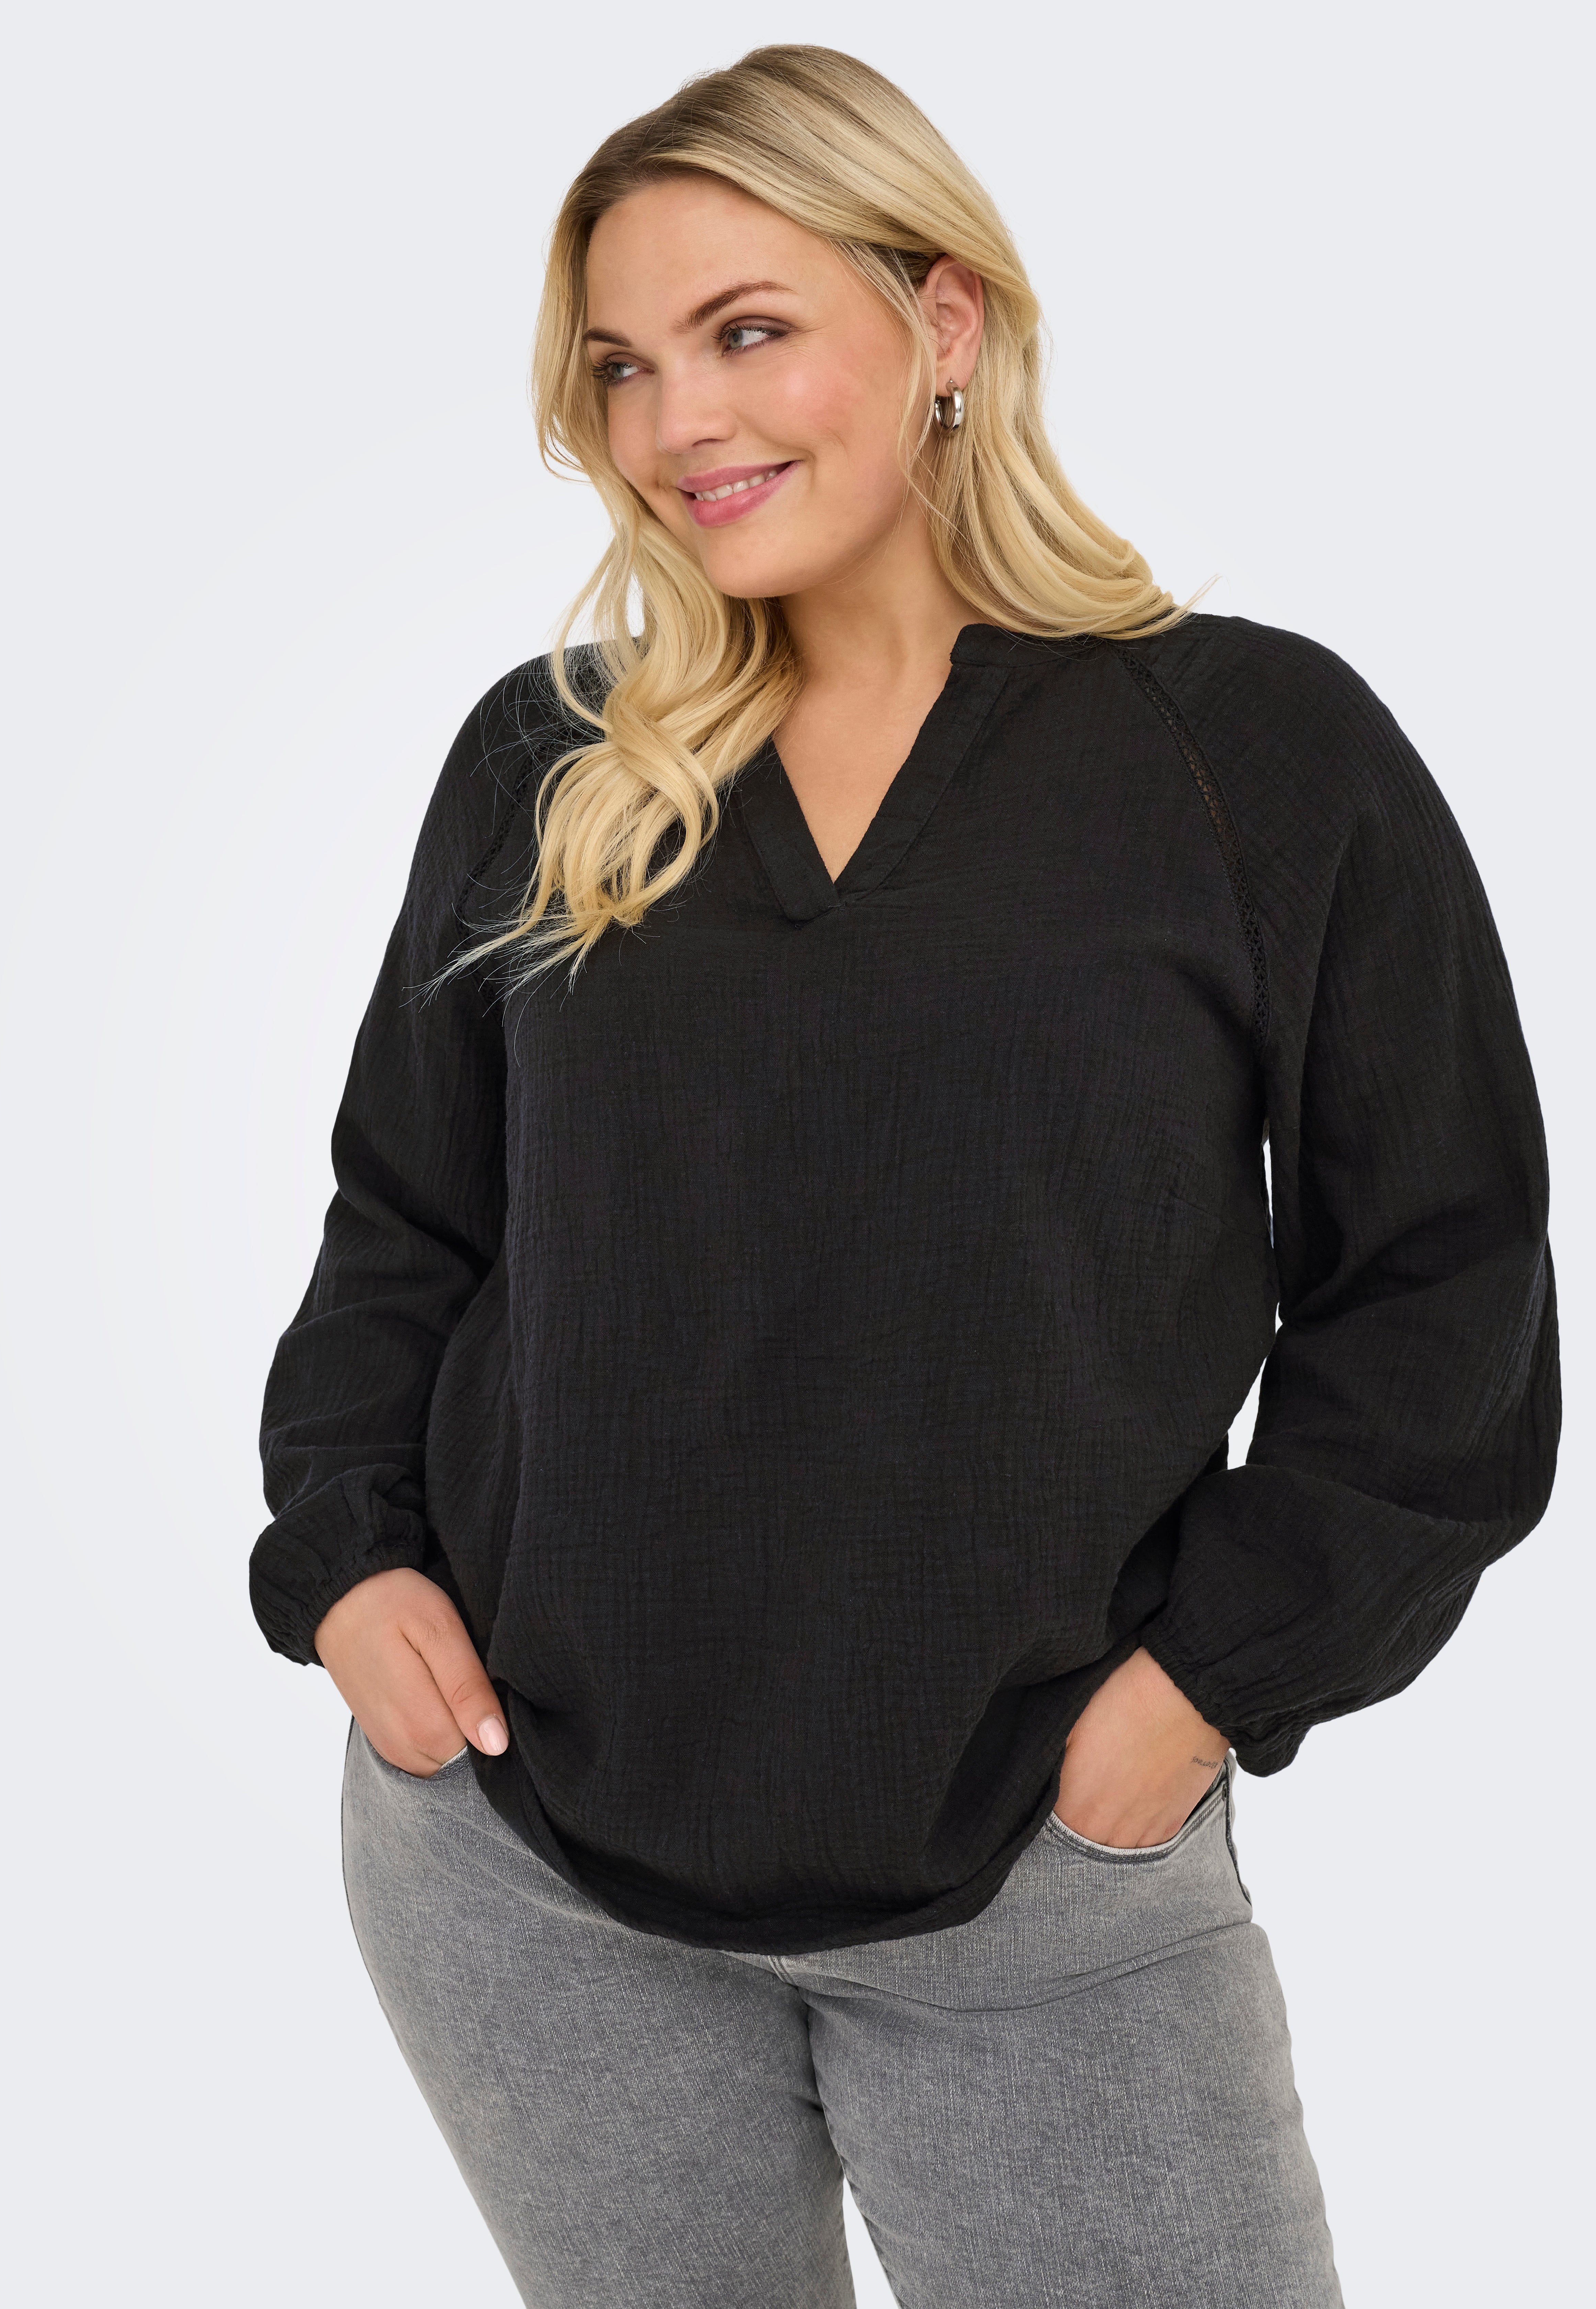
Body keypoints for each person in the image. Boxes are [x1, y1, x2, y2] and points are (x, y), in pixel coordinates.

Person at [249, 44, 1558, 2309]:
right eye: (620, 366)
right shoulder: (557, 759)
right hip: (523, 1869)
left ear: (942, 320)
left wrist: (1199, 1690)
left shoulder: (1253, 752)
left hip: (1038, 1884)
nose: (676, 422)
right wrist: (350, 1562)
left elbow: (1439, 1286)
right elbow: (409, 1222)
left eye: (745, 331)